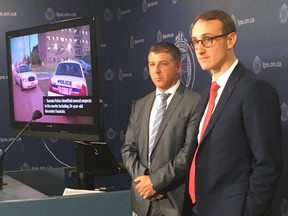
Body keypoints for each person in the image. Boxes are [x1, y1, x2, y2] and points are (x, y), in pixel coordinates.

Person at [182, 10, 283, 216]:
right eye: (195, 42)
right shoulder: (207, 93)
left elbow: (267, 164)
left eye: (208, 40)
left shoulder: (254, 89)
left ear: (230, 40)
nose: (199, 49)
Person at [121, 42, 200, 216]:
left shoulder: (194, 103)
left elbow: (188, 153)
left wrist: (156, 182)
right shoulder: (140, 105)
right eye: (152, 64)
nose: (156, 70)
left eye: (163, 64)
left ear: (178, 67)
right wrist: (145, 182)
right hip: (142, 201)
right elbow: (128, 149)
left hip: (173, 202)